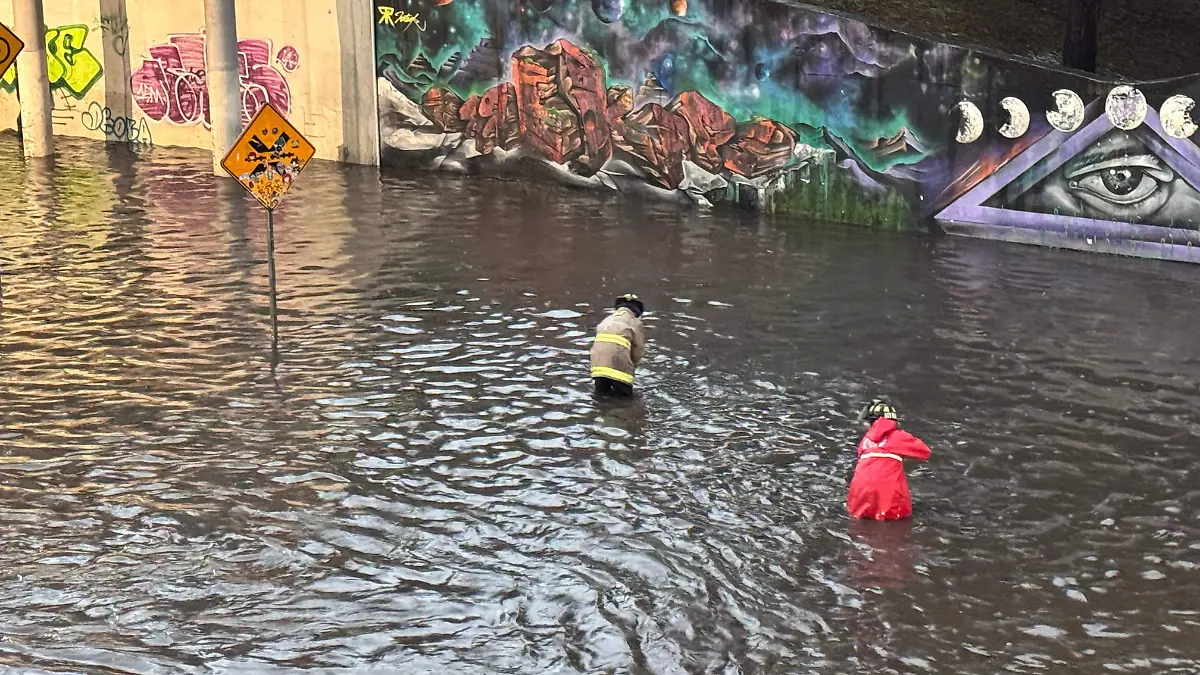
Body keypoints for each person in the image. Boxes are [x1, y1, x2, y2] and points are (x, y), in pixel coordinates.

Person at [847, 399, 931, 520]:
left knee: (861, 523)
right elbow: (925, 452)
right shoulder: (900, 436)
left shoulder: (865, 441)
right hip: (888, 493)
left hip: (860, 492)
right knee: (894, 526)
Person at [590, 294, 646, 397]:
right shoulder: (635, 322)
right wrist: (632, 365)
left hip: (597, 365)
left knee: (600, 397)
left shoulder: (607, 319)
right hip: (619, 364)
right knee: (625, 400)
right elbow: (638, 351)